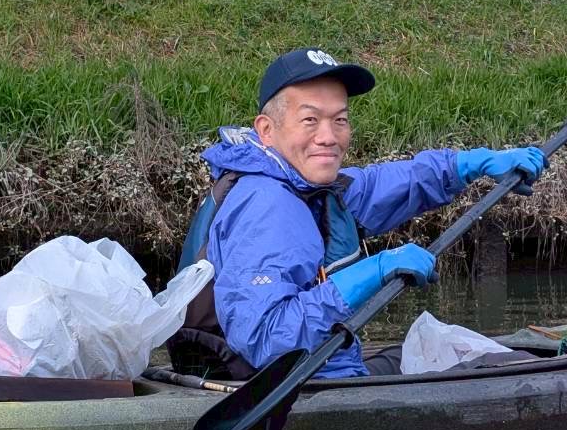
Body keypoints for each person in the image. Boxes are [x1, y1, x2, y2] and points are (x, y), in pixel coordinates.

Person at [169, 48, 545, 380]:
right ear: (266, 130)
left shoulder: (306, 184)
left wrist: (473, 163)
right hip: (285, 390)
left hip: (326, 368)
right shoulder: (266, 205)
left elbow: (396, 182)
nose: (329, 136)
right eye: (310, 120)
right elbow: (265, 337)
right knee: (515, 365)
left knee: (474, 352)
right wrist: (374, 272)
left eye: (340, 120)